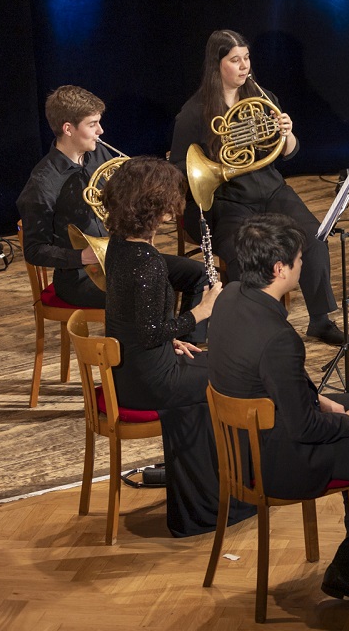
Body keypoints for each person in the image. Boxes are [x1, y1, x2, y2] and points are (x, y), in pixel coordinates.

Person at [208, 213, 349, 608]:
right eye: (298, 259)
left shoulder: (231, 294)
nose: (303, 264)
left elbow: (267, 379)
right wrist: (347, 421)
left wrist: (327, 402)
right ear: (279, 269)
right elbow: (304, 426)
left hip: (241, 444)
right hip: (279, 461)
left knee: (345, 400)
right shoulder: (279, 339)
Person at [101, 157, 252, 537]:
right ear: (153, 206)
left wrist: (173, 338)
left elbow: (139, 324)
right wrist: (201, 313)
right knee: (237, 375)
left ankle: (206, 495)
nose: (175, 206)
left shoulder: (119, 247)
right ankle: (214, 504)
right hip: (152, 380)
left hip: (132, 369)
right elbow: (151, 331)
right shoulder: (146, 263)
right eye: (170, 199)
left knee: (218, 366)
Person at [170, 30, 343, 345]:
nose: (244, 66)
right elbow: (180, 169)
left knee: (315, 240)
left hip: (270, 189)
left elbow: (289, 151)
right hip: (227, 200)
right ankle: (250, 328)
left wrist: (287, 134)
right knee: (243, 255)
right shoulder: (193, 113)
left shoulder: (264, 99)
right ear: (216, 65)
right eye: (235, 60)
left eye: (246, 58)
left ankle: (320, 319)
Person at [17, 86, 208, 326]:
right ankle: (161, 355)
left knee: (199, 275)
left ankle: (185, 345)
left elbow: (126, 199)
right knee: (156, 292)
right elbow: (34, 250)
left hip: (124, 258)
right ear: (68, 128)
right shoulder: (42, 183)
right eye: (92, 124)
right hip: (82, 278)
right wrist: (82, 256)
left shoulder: (101, 155)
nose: (101, 130)